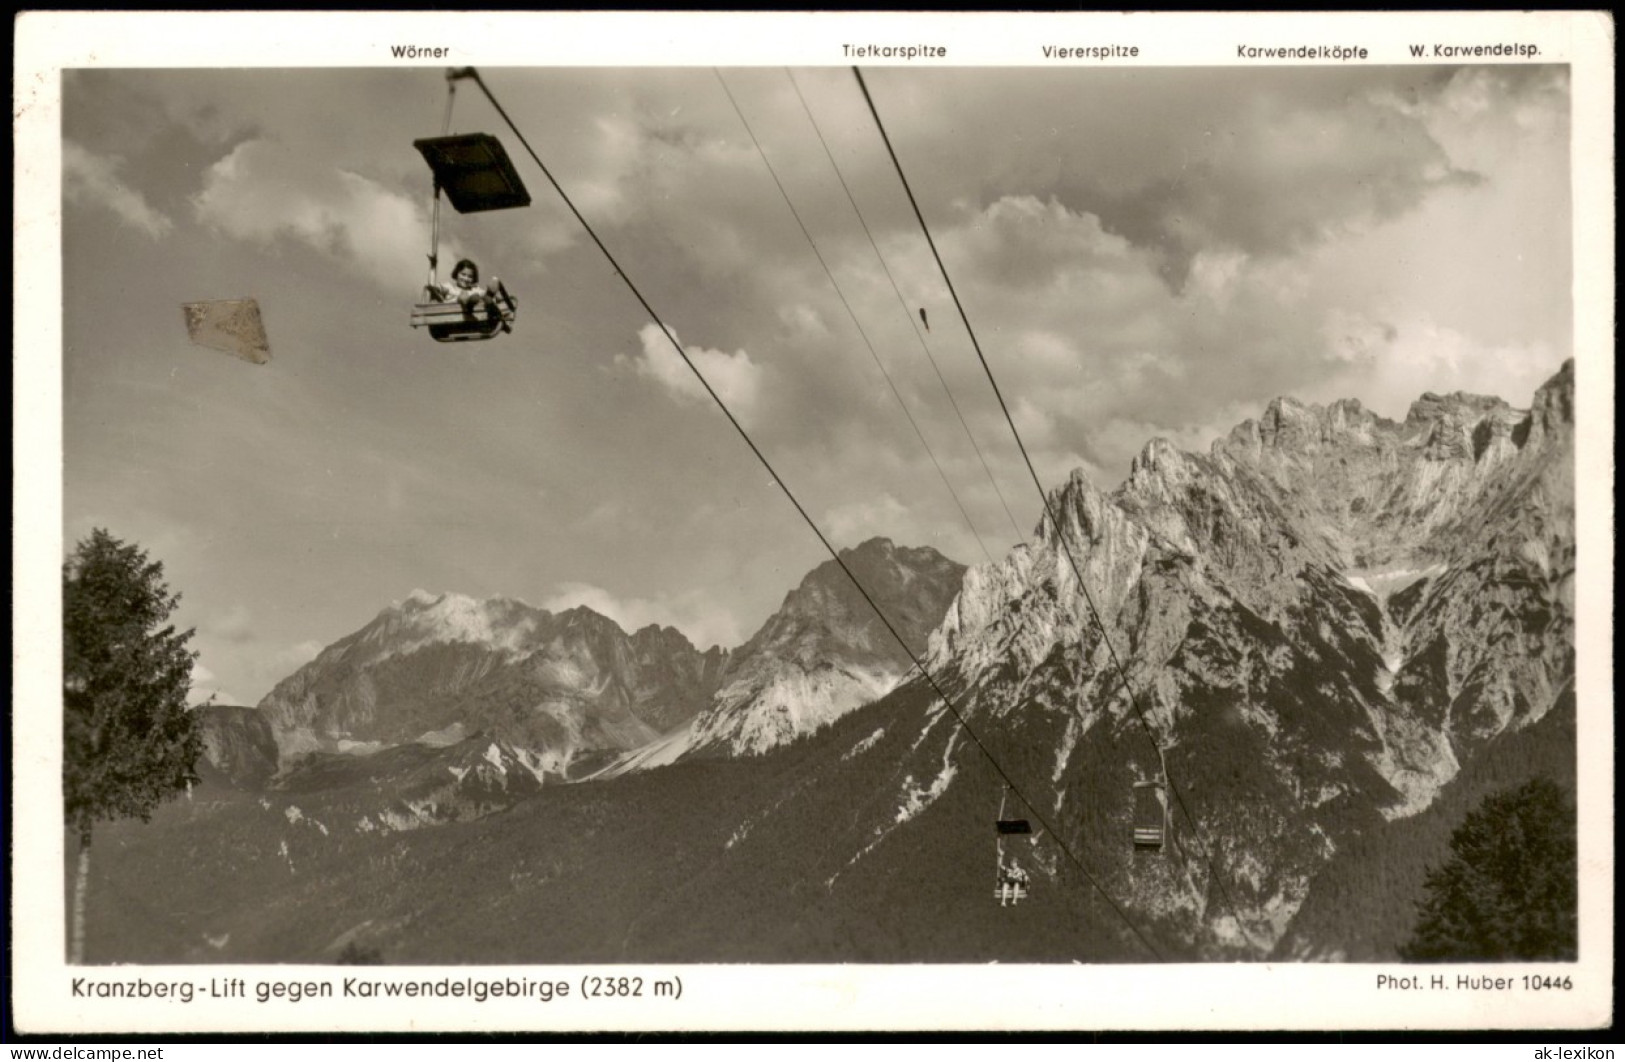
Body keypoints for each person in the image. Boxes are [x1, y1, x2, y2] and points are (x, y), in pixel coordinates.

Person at [428, 258, 511, 332]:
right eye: (463, 274)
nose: (466, 279)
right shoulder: (449, 287)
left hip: (475, 315)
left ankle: (493, 310)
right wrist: (432, 269)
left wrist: (493, 296)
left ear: (473, 279)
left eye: (470, 277)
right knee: (463, 295)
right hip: (454, 313)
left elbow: (483, 295)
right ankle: (469, 303)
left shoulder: (475, 290)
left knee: (483, 294)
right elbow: (433, 290)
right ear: (456, 274)